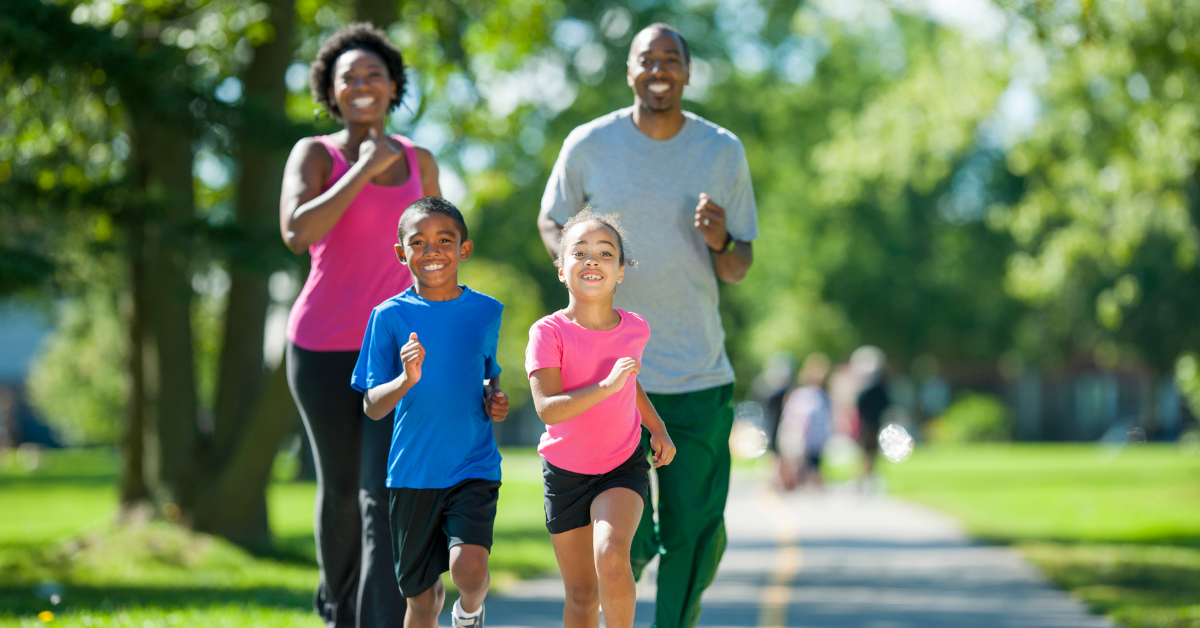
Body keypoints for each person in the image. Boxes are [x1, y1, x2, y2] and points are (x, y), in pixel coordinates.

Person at [537, 23, 757, 628]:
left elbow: (739, 265)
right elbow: (552, 221)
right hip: (605, 377)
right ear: (629, 70)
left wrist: (720, 239)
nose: (659, 69)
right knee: (621, 540)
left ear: (687, 72)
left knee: (695, 531)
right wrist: (580, 268)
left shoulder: (722, 149)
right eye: (646, 59)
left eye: (671, 59)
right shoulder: (589, 144)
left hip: (696, 372)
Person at [278, 22, 440, 627]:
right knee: (342, 492)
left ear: (394, 85)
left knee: (385, 493)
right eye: (350, 76)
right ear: (331, 89)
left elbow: (437, 257)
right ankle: (337, 612)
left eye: (375, 74)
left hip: (397, 352)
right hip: (320, 347)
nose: (363, 84)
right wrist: (361, 170)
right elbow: (298, 232)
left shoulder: (422, 160)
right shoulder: (316, 154)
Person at [351, 197, 509, 628]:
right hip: (412, 473)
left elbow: (489, 375)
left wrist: (496, 397)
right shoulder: (388, 316)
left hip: (473, 464)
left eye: (444, 240)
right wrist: (405, 379)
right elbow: (371, 406)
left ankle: (470, 613)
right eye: (418, 242)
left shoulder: (487, 311)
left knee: (470, 570)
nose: (432, 250)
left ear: (464, 249)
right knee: (421, 602)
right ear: (402, 253)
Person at [526, 210, 677, 628]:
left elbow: (629, 385)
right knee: (581, 595)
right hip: (565, 472)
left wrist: (657, 426)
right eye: (580, 252)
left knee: (612, 554)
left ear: (621, 271)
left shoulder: (635, 329)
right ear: (561, 270)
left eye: (605, 253)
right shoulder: (547, 333)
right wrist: (605, 388)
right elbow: (547, 408)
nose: (593, 260)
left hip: (621, 464)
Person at [776, 353, 832, 490]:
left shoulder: (819, 396)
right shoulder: (805, 395)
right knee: (804, 467)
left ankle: (811, 489)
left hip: (813, 438)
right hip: (803, 437)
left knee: (812, 467)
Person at [851, 346, 889, 487]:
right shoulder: (880, 388)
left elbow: (858, 407)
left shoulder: (865, 390)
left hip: (865, 426)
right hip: (875, 425)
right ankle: (867, 478)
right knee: (871, 455)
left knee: (864, 454)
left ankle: (862, 478)